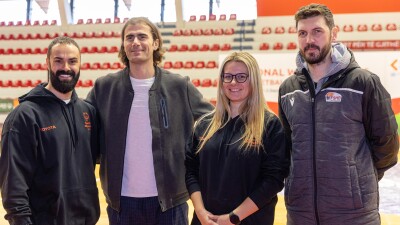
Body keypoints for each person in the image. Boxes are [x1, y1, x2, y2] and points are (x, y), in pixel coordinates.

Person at [278, 3, 399, 225]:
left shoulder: (363, 82)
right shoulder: (288, 89)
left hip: (354, 214)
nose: (309, 40)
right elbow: (287, 148)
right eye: (302, 33)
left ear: (334, 34)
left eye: (317, 32)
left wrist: (356, 179)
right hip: (300, 213)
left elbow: (388, 145)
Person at [86, 17, 214, 225]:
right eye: (129, 37)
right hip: (121, 203)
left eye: (142, 36)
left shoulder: (179, 85)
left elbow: (214, 122)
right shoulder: (104, 87)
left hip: (171, 202)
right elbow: (80, 124)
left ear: (155, 43)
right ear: (124, 45)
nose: (135, 42)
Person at [0, 36, 100, 225]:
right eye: (58, 61)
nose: (66, 68)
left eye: (72, 61)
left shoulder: (88, 112)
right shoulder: (24, 116)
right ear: (47, 63)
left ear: (80, 64)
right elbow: (13, 185)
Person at [186, 52, 290, 225]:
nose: (234, 82)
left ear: (253, 80)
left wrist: (234, 217)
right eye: (228, 77)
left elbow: (273, 180)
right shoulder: (204, 124)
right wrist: (201, 212)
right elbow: (190, 171)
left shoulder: (270, 125)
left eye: (242, 77)